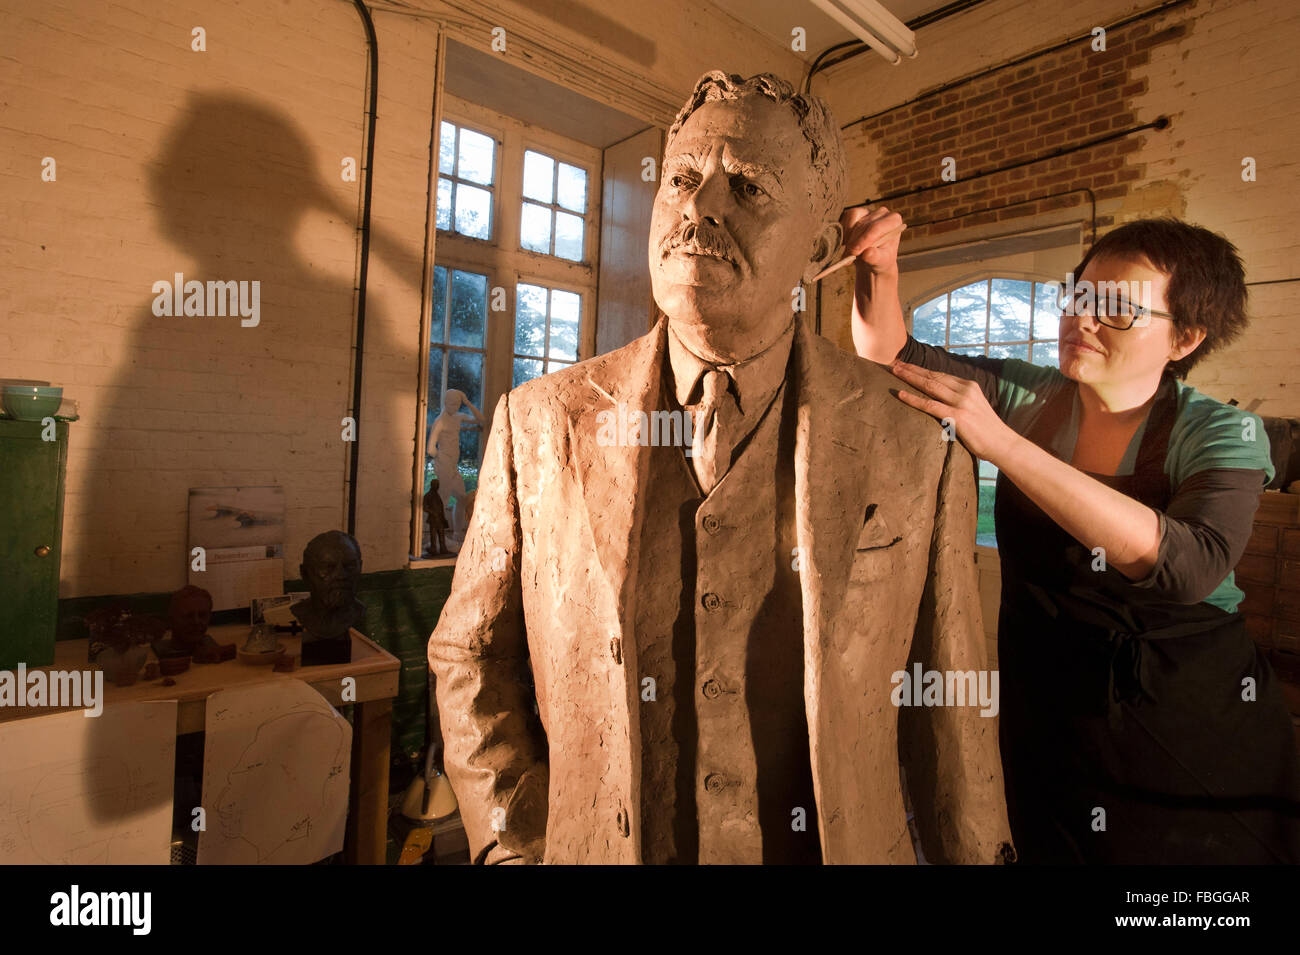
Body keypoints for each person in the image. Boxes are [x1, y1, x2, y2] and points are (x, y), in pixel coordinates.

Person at [427, 71, 1012, 865]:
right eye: (682, 179)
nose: (700, 209)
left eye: (748, 187)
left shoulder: (914, 443)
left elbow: (952, 702)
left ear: (819, 249)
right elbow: (470, 653)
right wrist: (511, 842)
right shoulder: (538, 423)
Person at [846, 208, 1300, 863]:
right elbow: (893, 357)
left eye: (1116, 308)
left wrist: (1001, 443)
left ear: (1186, 338)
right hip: (1049, 704)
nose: (1081, 319)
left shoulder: (1222, 433)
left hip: (1183, 724)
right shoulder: (1032, 395)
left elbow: (1189, 562)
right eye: (1078, 295)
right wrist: (879, 270)